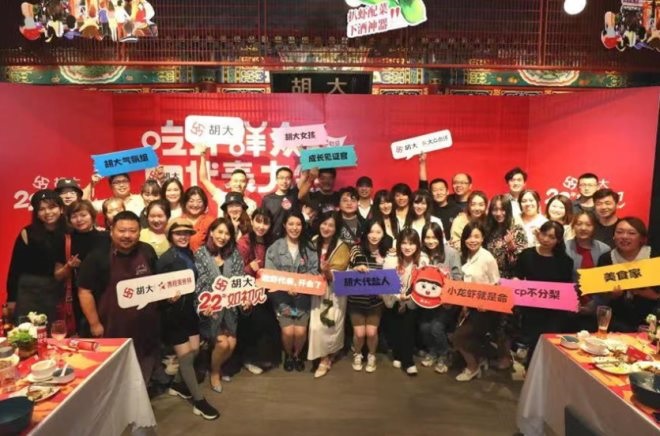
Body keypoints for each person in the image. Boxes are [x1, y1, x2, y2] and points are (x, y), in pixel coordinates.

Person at [78, 211, 160, 382]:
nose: (127, 235)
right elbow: (85, 291)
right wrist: (94, 324)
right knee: (114, 374)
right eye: (122, 231)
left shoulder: (147, 251)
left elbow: (157, 283)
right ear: (111, 231)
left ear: (139, 232)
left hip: (146, 325)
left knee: (144, 367)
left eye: (132, 231)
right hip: (112, 327)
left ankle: (141, 395)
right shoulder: (98, 256)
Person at [156, 217, 219, 420]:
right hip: (172, 315)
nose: (183, 237)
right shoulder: (165, 260)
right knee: (185, 358)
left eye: (186, 233)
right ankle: (199, 401)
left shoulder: (190, 254)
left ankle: (178, 384)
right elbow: (156, 290)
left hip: (190, 312)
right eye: (178, 233)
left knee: (194, 351)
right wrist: (166, 298)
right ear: (170, 235)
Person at [265, 210, 319, 372]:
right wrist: (286, 287)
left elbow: (314, 272)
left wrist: (300, 286)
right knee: (289, 332)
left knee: (300, 332)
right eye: (291, 224)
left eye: (298, 224)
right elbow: (270, 275)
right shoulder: (275, 248)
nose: (294, 228)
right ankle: (289, 355)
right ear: (284, 225)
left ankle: (297, 355)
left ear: (303, 226)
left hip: (303, 298)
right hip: (282, 298)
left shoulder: (309, 248)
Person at [194, 217, 244, 393]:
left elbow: (239, 280)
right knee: (223, 344)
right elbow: (199, 284)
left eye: (227, 233)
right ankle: (215, 372)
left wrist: (244, 299)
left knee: (232, 343)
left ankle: (215, 366)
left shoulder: (234, 254)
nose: (223, 237)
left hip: (229, 308)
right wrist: (205, 304)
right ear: (211, 232)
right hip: (209, 310)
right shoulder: (200, 254)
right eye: (219, 232)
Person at [515, 221, 574, 366]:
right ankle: (530, 371)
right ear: (539, 233)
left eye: (552, 237)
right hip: (530, 308)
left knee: (548, 344)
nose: (546, 239)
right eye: (544, 234)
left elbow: (566, 289)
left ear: (558, 240)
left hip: (553, 312)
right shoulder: (526, 255)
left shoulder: (565, 261)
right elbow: (518, 276)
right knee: (533, 343)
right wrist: (516, 282)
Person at [7, 190, 66, 322]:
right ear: (36, 214)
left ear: (61, 209)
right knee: (28, 331)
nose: (47, 212)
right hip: (29, 293)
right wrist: (11, 299)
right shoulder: (27, 233)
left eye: (52, 207)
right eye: (41, 209)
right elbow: (15, 268)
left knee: (57, 330)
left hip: (58, 292)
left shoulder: (70, 232)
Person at [452, 222, 501, 381]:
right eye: (469, 237)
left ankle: (472, 367)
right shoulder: (464, 255)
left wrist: (486, 304)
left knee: (459, 337)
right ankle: (480, 359)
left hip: (485, 309)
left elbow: (496, 284)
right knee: (464, 336)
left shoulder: (487, 258)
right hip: (468, 306)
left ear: (483, 238)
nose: (472, 240)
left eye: (476, 236)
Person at [235, 209, 281, 374]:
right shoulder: (244, 242)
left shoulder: (272, 241)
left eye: (265, 222)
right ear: (252, 221)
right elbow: (235, 270)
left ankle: (264, 358)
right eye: (258, 221)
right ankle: (250, 359)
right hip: (248, 291)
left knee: (269, 324)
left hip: (267, 290)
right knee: (254, 323)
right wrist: (249, 268)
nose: (261, 226)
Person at [54, 200, 107, 336]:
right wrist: (69, 266)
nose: (79, 220)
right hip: (78, 298)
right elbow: (57, 275)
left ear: (92, 216)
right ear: (69, 220)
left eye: (83, 215)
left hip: (106, 294)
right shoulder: (65, 241)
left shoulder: (106, 237)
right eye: (74, 216)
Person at [596, 217, 659, 332]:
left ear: (642, 238)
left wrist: (649, 294)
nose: (624, 236)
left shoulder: (655, 257)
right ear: (614, 236)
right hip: (616, 321)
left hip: (652, 318)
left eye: (631, 233)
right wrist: (612, 295)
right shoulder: (606, 259)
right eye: (619, 232)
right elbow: (600, 294)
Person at [308, 212, 351, 378]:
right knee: (315, 327)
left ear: (336, 228)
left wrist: (327, 271)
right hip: (315, 291)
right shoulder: (312, 242)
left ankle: (325, 358)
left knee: (329, 325)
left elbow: (341, 275)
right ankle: (323, 355)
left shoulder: (342, 247)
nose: (326, 228)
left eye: (331, 225)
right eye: (324, 224)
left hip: (333, 293)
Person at [348, 219, 393, 373]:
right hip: (356, 299)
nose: (374, 235)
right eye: (371, 232)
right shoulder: (356, 249)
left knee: (372, 332)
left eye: (378, 232)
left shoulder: (388, 253)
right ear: (366, 233)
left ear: (383, 234)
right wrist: (356, 269)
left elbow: (392, 275)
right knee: (359, 334)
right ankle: (357, 354)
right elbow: (347, 270)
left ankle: (372, 355)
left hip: (376, 300)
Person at [418, 222, 462, 374]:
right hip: (427, 300)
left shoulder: (451, 253)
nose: (430, 241)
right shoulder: (422, 254)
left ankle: (444, 354)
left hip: (446, 302)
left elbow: (458, 278)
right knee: (424, 327)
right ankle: (433, 351)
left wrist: (449, 293)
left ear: (441, 237)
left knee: (436, 327)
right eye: (427, 237)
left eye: (434, 237)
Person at [383, 228, 422, 376]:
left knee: (408, 330)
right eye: (404, 243)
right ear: (398, 244)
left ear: (417, 245)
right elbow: (385, 283)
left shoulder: (422, 260)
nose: (407, 247)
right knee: (395, 329)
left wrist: (409, 297)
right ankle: (397, 355)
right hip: (393, 299)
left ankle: (408, 362)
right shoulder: (391, 260)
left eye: (411, 243)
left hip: (412, 301)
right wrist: (398, 297)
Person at [565, 211, 611, 332]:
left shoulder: (604, 250)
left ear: (594, 227)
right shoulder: (563, 248)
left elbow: (605, 282)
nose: (583, 228)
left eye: (588, 224)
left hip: (596, 310)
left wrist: (594, 304)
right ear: (573, 226)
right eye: (579, 224)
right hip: (567, 309)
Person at [198, 144, 257, 217]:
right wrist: (202, 155)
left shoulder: (252, 204)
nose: (238, 184)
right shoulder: (222, 197)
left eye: (242, 181)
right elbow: (203, 179)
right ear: (230, 183)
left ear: (246, 184)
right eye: (235, 181)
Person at [418, 153, 462, 241]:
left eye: (441, 189)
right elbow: (423, 185)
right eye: (435, 190)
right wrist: (422, 164)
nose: (438, 193)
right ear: (431, 193)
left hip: (450, 245)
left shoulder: (456, 209)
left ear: (447, 192)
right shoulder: (428, 207)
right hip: (430, 242)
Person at [261, 167, 312, 239]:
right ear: (276, 179)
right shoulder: (267, 199)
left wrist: (308, 164)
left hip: (291, 238)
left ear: (291, 180)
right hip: (271, 239)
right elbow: (263, 220)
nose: (284, 181)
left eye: (288, 178)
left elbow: (304, 176)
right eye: (281, 178)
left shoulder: (294, 195)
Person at [484, 195, 528, 279]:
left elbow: (522, 262)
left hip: (510, 277)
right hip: (489, 276)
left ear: (508, 210)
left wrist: (511, 248)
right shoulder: (488, 228)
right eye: (495, 210)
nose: (498, 213)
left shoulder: (517, 229)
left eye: (502, 209)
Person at [181, 187, 215, 252]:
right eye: (191, 201)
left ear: (204, 203)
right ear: (185, 202)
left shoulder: (211, 222)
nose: (195, 205)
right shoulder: (178, 221)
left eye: (199, 201)